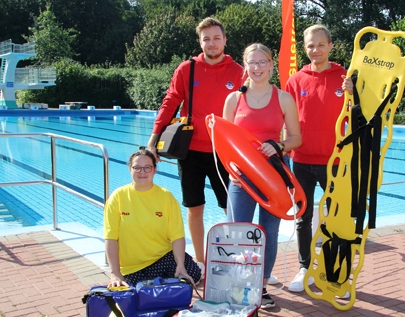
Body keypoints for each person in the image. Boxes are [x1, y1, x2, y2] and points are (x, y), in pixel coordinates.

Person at [146, 17, 244, 269]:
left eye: (216, 38)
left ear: (225, 40)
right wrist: (153, 139)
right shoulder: (186, 69)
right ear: (200, 42)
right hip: (190, 151)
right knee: (195, 207)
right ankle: (200, 261)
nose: (211, 43)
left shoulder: (239, 71)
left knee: (230, 208)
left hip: (224, 152)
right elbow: (170, 103)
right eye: (206, 39)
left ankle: (236, 259)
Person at [223, 43, 302, 308]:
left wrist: (279, 145)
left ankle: (262, 286)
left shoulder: (283, 98)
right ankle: (238, 285)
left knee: (268, 232)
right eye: (251, 62)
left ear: (270, 64)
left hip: (275, 176)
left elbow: (296, 138)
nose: (256, 68)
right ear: (245, 65)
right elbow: (224, 142)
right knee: (238, 232)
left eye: (262, 62)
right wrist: (231, 171)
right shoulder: (234, 99)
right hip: (242, 178)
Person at [285, 24, 353, 292]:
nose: (316, 50)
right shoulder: (295, 80)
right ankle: (305, 268)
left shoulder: (345, 77)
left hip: (333, 161)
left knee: (336, 218)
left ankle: (336, 270)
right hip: (301, 160)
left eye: (321, 44)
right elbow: (284, 120)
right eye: (311, 45)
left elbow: (362, 113)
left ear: (331, 46)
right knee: (302, 216)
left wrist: (355, 91)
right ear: (305, 48)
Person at [104, 147, 202, 287]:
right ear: (130, 170)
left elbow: (177, 236)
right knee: (135, 293)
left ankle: (164, 283)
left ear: (155, 170)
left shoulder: (165, 196)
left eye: (147, 168)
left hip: (162, 258)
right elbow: (111, 237)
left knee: (192, 273)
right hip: (133, 268)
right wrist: (115, 272)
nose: (142, 172)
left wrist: (180, 264)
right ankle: (161, 285)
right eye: (137, 168)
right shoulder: (118, 197)